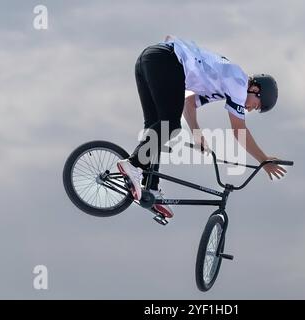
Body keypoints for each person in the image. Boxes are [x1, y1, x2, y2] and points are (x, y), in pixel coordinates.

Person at [117, 35, 287, 220]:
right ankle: (133, 164)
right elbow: (239, 130)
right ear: (256, 89)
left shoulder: (225, 86)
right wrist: (264, 160)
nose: (251, 108)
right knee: (171, 125)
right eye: (256, 105)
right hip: (166, 60)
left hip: (149, 60)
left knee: (156, 126)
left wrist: (197, 134)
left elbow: (189, 103)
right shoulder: (238, 84)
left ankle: (151, 186)